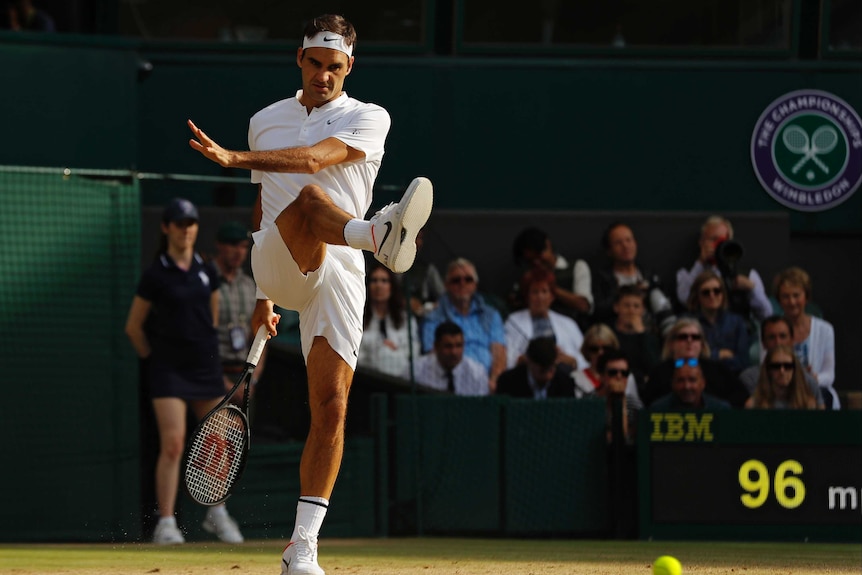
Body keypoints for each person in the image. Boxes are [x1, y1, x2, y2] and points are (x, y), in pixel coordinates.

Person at [187, 14, 433, 574]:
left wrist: (233, 158)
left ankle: (302, 549)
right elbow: (261, 207)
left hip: (340, 270)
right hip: (279, 254)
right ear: (300, 59)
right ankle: (378, 233)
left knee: (332, 407)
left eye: (335, 67)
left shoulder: (370, 117)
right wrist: (262, 296)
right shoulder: (263, 121)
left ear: (350, 67)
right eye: (315, 64)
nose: (324, 75)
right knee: (307, 200)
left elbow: (318, 157)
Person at [124, 198, 244, 545]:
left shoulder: (207, 271)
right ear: (166, 228)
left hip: (204, 369)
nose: (186, 229)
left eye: (191, 223)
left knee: (218, 442)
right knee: (174, 444)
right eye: (179, 223)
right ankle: (165, 524)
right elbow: (134, 328)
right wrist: (157, 359)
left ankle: (217, 513)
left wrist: (202, 353)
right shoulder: (155, 274)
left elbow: (213, 317)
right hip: (168, 372)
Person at [420, 258, 506, 391]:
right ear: (446, 285)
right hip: (449, 384)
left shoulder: (491, 315)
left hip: (487, 385)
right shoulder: (433, 317)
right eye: (456, 280)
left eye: (468, 279)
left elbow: (499, 353)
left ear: (475, 285)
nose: (462, 284)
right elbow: (433, 353)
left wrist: (494, 381)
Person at [675, 215, 772, 322]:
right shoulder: (688, 272)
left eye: (723, 241)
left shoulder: (748, 274)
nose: (718, 246)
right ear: (702, 242)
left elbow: (767, 314)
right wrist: (700, 262)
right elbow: (684, 298)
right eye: (713, 240)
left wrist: (752, 289)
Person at [213, 221, 266, 403]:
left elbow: (260, 335)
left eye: (243, 246)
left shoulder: (249, 285)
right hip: (213, 375)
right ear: (219, 245)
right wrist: (223, 384)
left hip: (244, 375)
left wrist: (252, 380)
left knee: (242, 430)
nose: (239, 252)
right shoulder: (204, 281)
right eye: (233, 245)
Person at [592, 221, 676, 336]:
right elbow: (597, 311)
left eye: (629, 240)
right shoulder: (602, 278)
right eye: (618, 243)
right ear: (609, 251)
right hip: (617, 335)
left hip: (651, 334)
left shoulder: (650, 276)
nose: (625, 246)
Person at [642, 317, 748, 408]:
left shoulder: (718, 370)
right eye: (683, 337)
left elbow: (742, 399)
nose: (689, 340)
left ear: (702, 344)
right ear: (672, 343)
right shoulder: (659, 372)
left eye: (695, 337)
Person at [773, 267, 838, 410]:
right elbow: (765, 367)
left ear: (806, 297)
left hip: (815, 392)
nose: (791, 302)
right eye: (785, 296)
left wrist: (812, 379)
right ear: (779, 299)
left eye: (796, 295)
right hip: (780, 394)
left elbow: (829, 374)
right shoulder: (772, 329)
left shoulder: (825, 329)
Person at [503, 267, 586, 370]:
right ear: (527, 296)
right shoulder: (513, 322)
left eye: (544, 291)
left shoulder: (568, 323)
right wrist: (524, 359)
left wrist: (572, 361)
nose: (540, 297)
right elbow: (505, 358)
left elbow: (585, 360)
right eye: (535, 292)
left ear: (552, 296)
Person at [510, 227, 593, 329]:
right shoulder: (526, 277)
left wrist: (549, 288)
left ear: (548, 245)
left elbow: (584, 306)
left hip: (572, 330)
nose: (536, 262)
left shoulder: (576, 267)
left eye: (539, 256)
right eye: (530, 260)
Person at [738, 316, 822, 407]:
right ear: (763, 342)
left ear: (792, 340)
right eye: (771, 337)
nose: (778, 342)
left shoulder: (808, 382)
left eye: (783, 336)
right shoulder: (749, 378)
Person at [572, 324, 643, 429]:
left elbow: (639, 431)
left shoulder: (633, 403)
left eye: (624, 373)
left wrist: (621, 401)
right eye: (612, 372)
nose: (619, 376)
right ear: (602, 376)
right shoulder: (586, 400)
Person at [358, 261, 419, 377]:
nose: (378, 285)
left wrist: (395, 351)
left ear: (392, 286)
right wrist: (379, 350)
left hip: (400, 379)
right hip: (365, 378)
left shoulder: (406, 319)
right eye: (374, 280)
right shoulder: (358, 318)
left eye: (384, 281)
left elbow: (414, 353)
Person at [686, 270, 751, 374]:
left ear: (723, 294)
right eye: (706, 292)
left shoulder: (737, 322)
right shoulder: (688, 324)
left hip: (731, 379)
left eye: (716, 291)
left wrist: (708, 356)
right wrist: (719, 355)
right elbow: (688, 361)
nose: (712, 295)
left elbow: (743, 362)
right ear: (697, 296)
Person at [410, 321, 488, 396]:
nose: (454, 352)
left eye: (458, 346)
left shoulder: (477, 373)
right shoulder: (415, 371)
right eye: (448, 346)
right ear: (436, 346)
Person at [609, 285, 661, 392]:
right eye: (626, 305)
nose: (631, 310)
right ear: (616, 307)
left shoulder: (651, 338)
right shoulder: (609, 336)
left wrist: (642, 334)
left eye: (636, 306)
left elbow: (655, 368)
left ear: (643, 310)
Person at [495, 336, 576, 399]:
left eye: (551, 369)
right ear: (529, 362)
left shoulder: (565, 383)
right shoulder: (508, 382)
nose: (548, 375)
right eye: (543, 370)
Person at [745, 345, 820, 410]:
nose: (782, 371)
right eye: (776, 366)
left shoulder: (809, 404)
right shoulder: (753, 405)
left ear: (795, 369)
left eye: (788, 366)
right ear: (768, 370)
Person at [650, 357, 732, 411]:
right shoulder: (657, 410)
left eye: (692, 380)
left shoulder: (721, 410)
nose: (687, 386)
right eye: (680, 380)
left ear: (703, 383)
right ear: (673, 384)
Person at [397, 229, 445, 319]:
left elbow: (444, 298)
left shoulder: (427, 269)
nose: (414, 242)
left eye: (418, 238)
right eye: (410, 237)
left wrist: (429, 306)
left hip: (423, 320)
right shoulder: (385, 268)